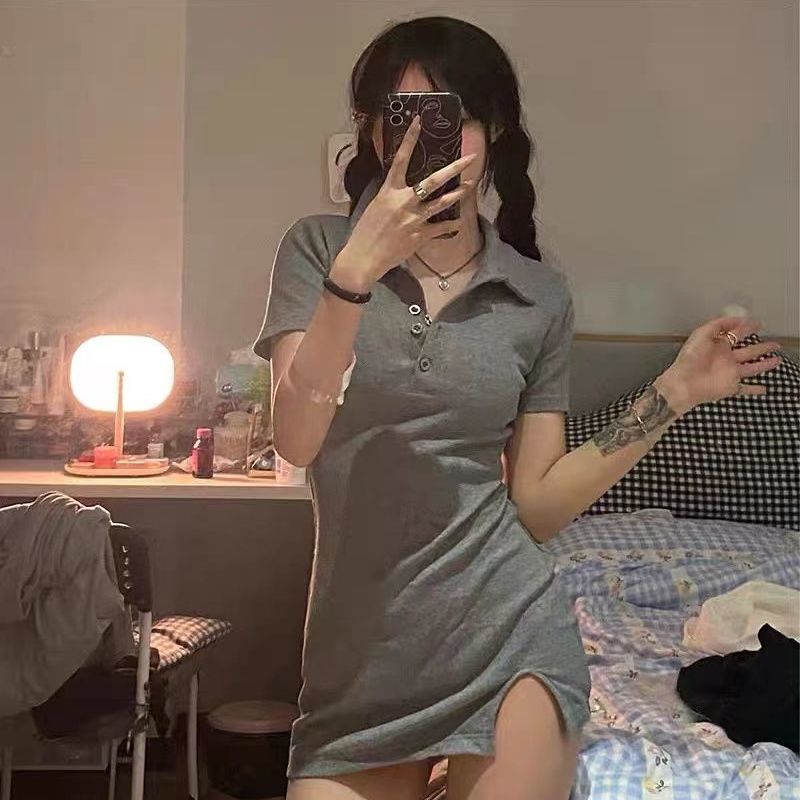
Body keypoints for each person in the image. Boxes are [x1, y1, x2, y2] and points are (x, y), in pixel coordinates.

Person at [253, 16, 782, 800]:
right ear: (371, 130)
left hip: (508, 634)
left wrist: (672, 394)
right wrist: (353, 277)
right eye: (401, 118)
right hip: (360, 660)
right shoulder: (319, 251)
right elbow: (298, 439)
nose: (424, 142)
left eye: (450, 117)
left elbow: (535, 508)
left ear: (494, 128)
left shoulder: (538, 297)